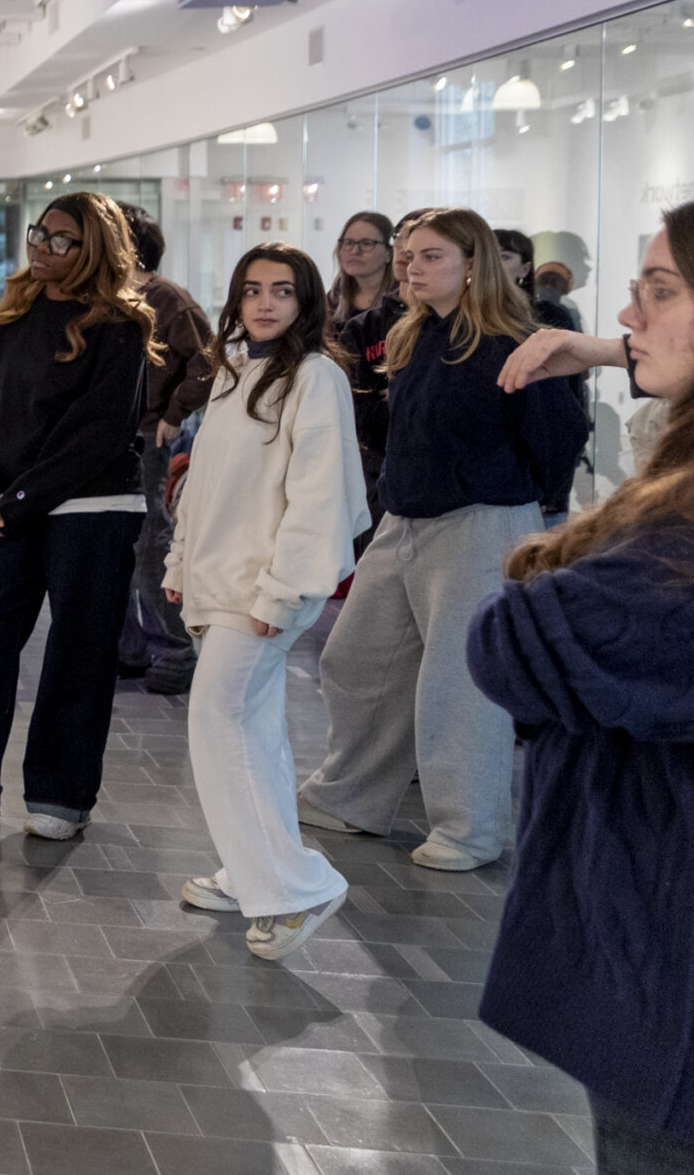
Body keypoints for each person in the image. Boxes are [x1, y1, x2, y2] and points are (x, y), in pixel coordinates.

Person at [467, 200, 694, 1170]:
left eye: (659, 291)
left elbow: (515, 643)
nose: (627, 317)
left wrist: (543, 567)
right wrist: (604, 353)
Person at [295, 207, 590, 871]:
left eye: (430, 255)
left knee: (459, 683)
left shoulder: (512, 338)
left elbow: (558, 432)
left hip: (481, 518)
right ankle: (353, 795)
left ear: (471, 263)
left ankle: (468, 829)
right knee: (356, 657)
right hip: (407, 518)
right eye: (409, 254)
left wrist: (526, 503)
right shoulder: (420, 331)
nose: (411, 265)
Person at [0, 191, 158, 840]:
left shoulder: (121, 325)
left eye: (61, 239)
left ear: (93, 247)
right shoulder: (8, 314)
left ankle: (59, 797)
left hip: (93, 508)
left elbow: (96, 434)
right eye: (38, 234)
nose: (42, 247)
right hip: (8, 508)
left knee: (78, 652)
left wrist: (17, 500)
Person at [164, 244, 368, 959]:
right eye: (252, 289)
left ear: (307, 300)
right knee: (254, 734)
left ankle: (294, 886)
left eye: (282, 290)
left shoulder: (316, 378)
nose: (265, 301)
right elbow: (204, 484)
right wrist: (180, 560)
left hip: (265, 590)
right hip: (225, 583)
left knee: (220, 722)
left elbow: (319, 497)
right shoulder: (232, 370)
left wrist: (283, 592)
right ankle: (250, 871)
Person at [115, 202, 211, 695]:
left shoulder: (167, 297)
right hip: (115, 441)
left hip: (149, 439)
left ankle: (175, 651)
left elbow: (207, 360)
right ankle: (130, 650)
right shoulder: (111, 296)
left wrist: (175, 413)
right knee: (120, 549)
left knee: (153, 549)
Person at [334, 207, 431, 533]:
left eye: (429, 254)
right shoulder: (354, 320)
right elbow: (355, 403)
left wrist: (408, 392)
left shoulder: (469, 328)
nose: (354, 251)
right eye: (347, 243)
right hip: (375, 467)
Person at [497, 228, 591, 524]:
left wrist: (554, 489)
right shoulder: (459, 320)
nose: (494, 264)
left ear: (525, 268)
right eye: (488, 255)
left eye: (505, 256)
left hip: (537, 481)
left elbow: (567, 405)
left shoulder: (551, 315)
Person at [329, 211, 397, 333]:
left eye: (366, 243)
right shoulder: (333, 299)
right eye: (349, 243)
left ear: (389, 253)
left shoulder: (401, 300)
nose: (355, 251)